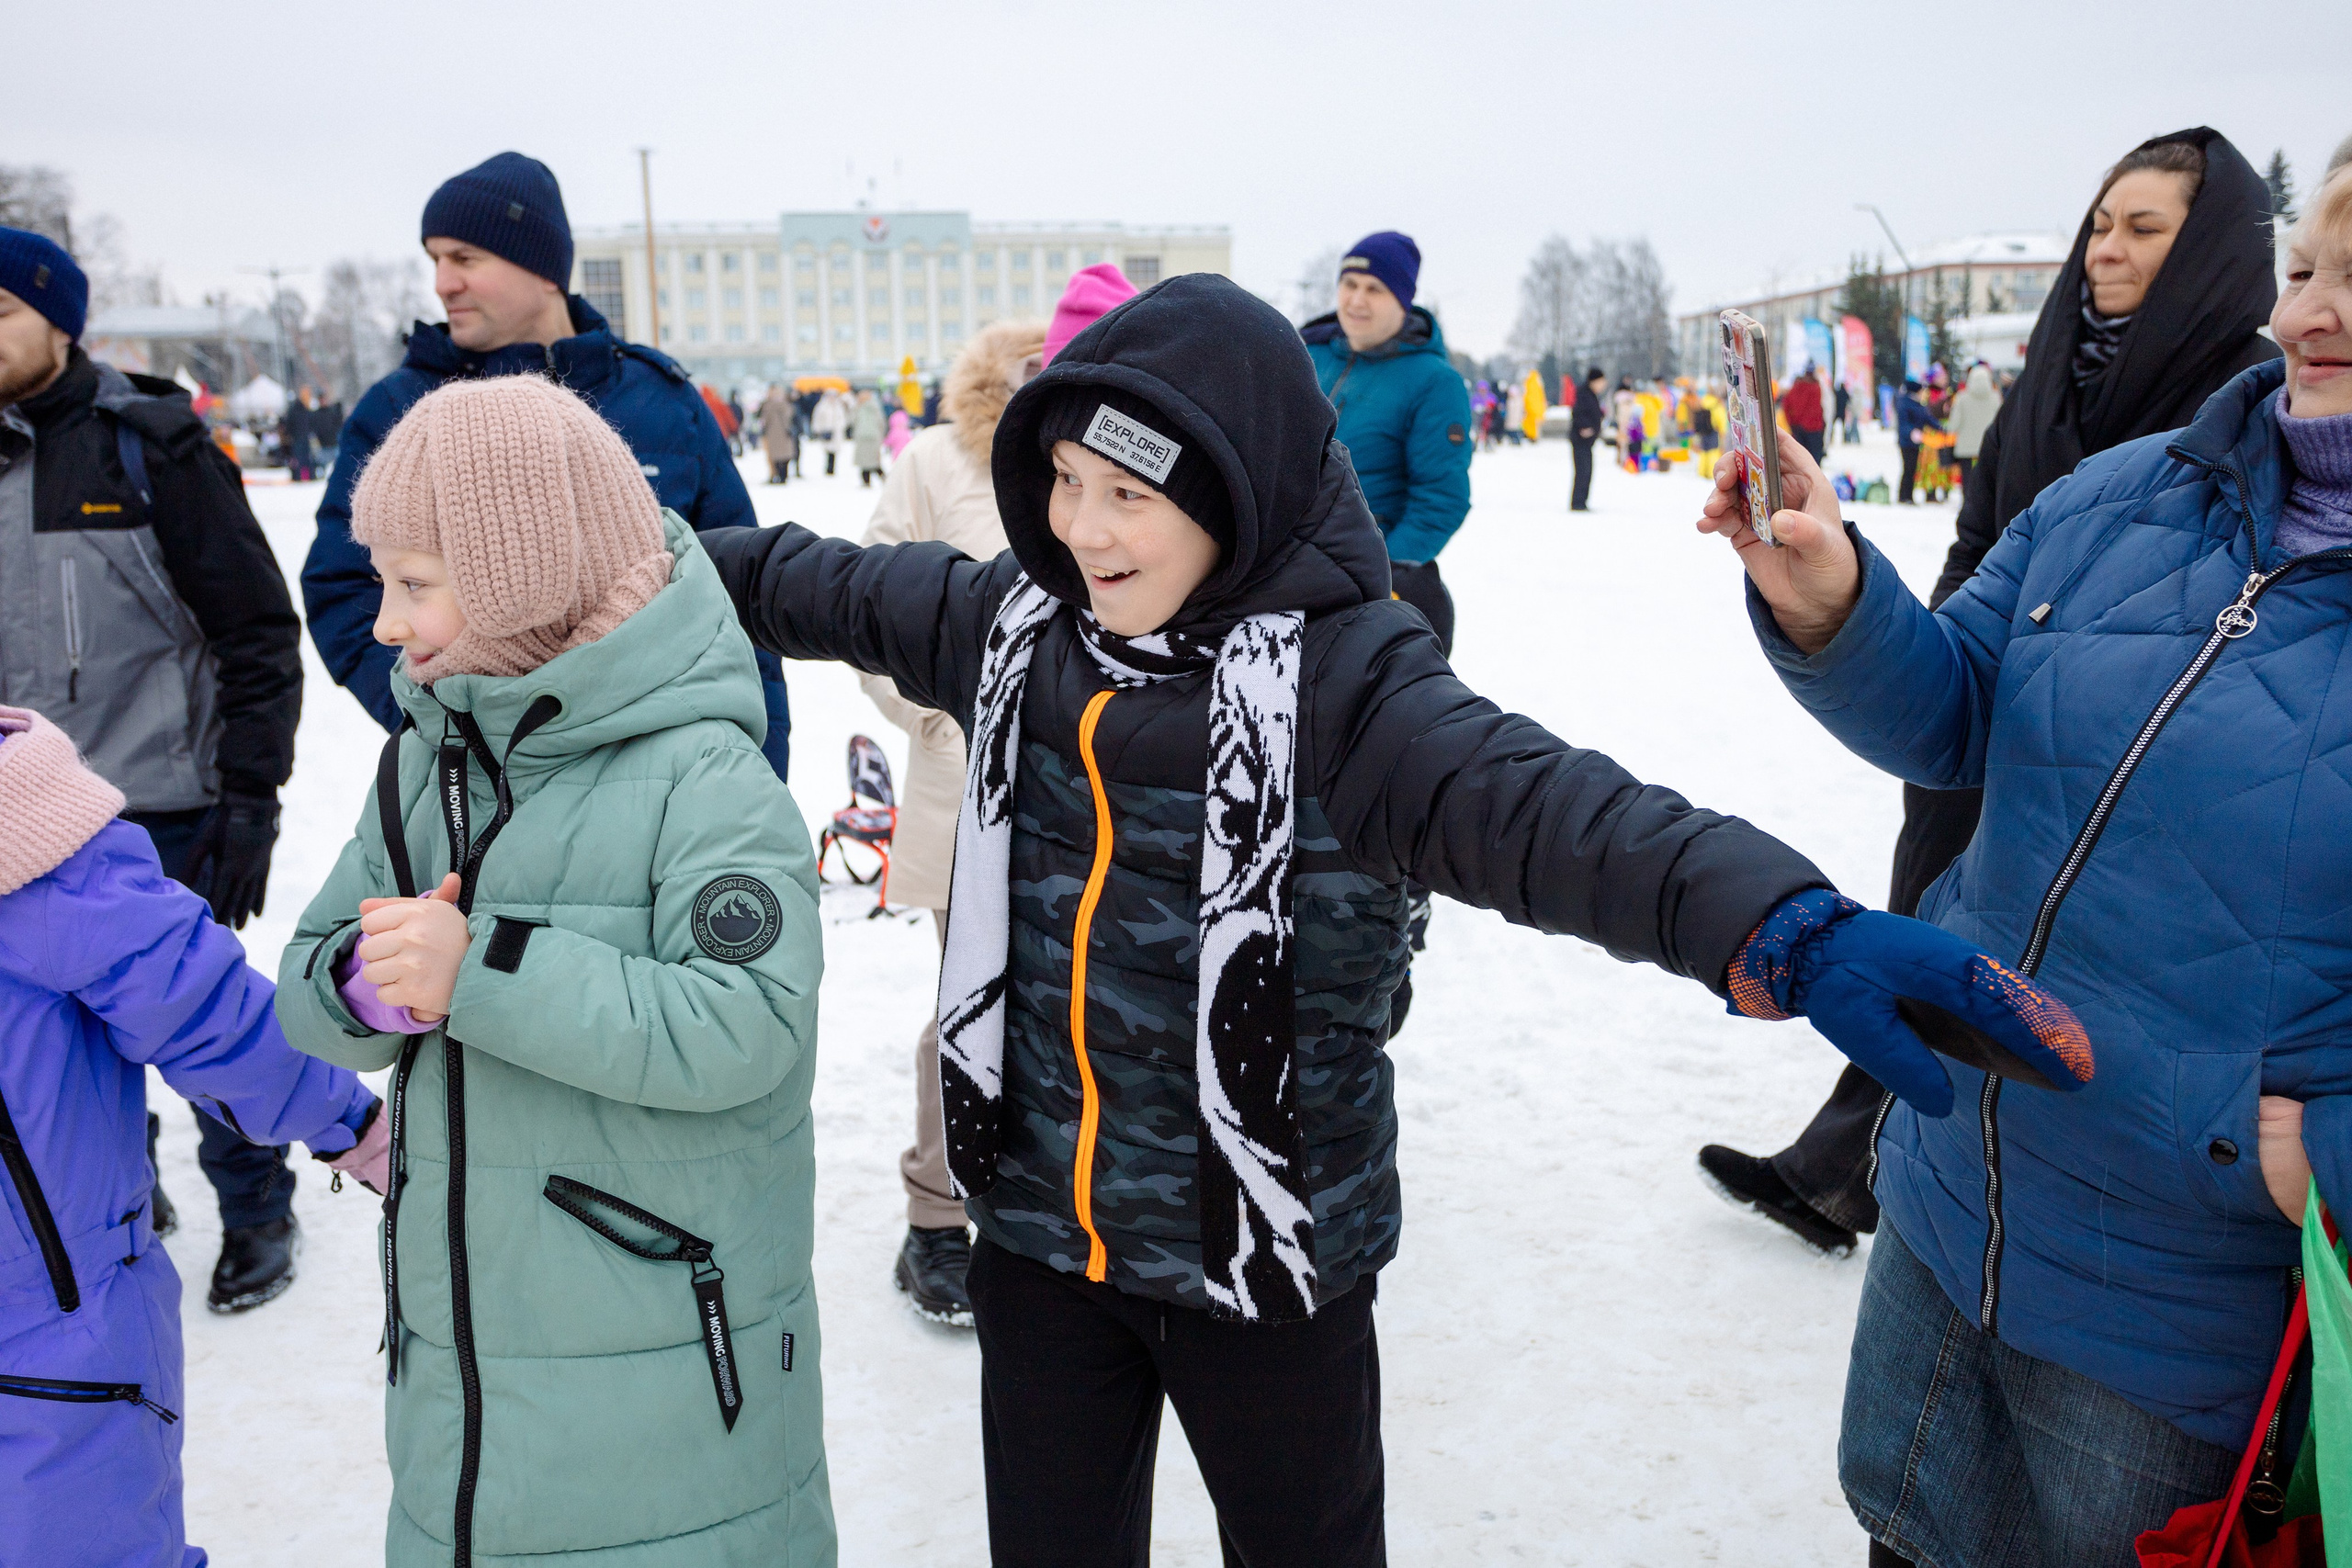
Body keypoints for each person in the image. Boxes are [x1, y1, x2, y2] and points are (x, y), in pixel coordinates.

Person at [700, 273, 2091, 1565]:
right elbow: (790, 578)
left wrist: (1787, 922)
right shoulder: (1009, 625)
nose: (1081, 527)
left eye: (1128, 492)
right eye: (1063, 480)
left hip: (1268, 1251)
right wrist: (612, 557)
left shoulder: (1347, 691)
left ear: (1233, 498)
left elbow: (1566, 815)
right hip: (1039, 1238)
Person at [1696, 154, 2352, 1568]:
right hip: (1950, 1192)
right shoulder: (2132, 493)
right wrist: (1836, 600)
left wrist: (2324, 1150)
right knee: (1904, 1534)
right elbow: (1957, 708)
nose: (2317, 312)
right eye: (2307, 271)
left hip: (2170, 1311)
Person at [276, 376, 832, 1566]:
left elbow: (748, 1024)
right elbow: (310, 986)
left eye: (414, 584)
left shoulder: (705, 776)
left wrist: (483, 970)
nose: (381, 622)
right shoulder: (424, 765)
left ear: (519, 576)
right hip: (461, 1416)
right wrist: (373, 985)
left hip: (672, 1406)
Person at [1700, 129, 2286, 1258]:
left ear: (2210, 250)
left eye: (2145, 229)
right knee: (1931, 928)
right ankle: (1862, 1166)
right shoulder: (2052, 371)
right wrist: (1929, 647)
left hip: (2122, 756)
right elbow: (1979, 543)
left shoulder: (2244, 394)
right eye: (2101, 225)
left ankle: (1864, 1173)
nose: (2108, 250)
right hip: (1984, 715)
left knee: (2031, 974)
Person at [0, 226, 316, 1314]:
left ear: (59, 317)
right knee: (49, 1059)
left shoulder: (153, 448)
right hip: (8, 831)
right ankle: (116, 1200)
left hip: (156, 809)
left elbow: (257, 635)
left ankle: (258, 1208)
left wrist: (249, 801)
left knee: (197, 1023)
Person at [0, 704, 384, 1568]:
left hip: (44, 1347)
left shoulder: (24, 836)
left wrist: (346, 1120)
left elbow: (201, 1008)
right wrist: (357, 1127)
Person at [299, 152, 793, 782]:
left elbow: (736, 606)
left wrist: (755, 772)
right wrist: (444, 728)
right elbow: (342, 590)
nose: (443, 283)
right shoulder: (400, 412)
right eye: (436, 261)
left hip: (663, 786)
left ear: (543, 269)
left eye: (465, 258)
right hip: (481, 791)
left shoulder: (664, 402)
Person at [856, 316, 1048, 1325]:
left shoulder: (1107, 461)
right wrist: (932, 713)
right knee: (970, 1002)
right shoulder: (936, 461)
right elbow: (875, 608)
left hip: (1097, 792)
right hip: (970, 786)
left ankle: (1044, 1214)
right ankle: (935, 1216)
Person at [1298, 231, 1474, 656]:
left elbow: (1440, 498)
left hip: (1362, 579)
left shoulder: (1434, 382)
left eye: (1374, 289)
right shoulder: (1306, 354)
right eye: (1350, 284)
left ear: (1402, 300)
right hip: (1281, 568)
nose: (1357, 300)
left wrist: (1379, 574)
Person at [1944, 363, 2001, 491]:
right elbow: (2000, 422)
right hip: (1988, 447)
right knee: (1986, 481)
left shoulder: (1962, 397)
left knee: (1967, 481)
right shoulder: (1995, 397)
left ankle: (1967, 506)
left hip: (1966, 448)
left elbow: (1954, 425)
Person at [1893, 379, 1941, 502]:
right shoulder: (1904, 403)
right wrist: (1912, 432)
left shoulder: (1918, 404)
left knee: (1913, 469)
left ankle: (1908, 495)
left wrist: (1940, 427)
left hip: (1916, 442)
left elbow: (1927, 419)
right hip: (1906, 442)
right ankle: (1904, 496)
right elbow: (1903, 424)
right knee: (1908, 468)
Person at [1569, 365, 1606, 511]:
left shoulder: (1590, 394)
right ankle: (1578, 502)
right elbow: (1578, 414)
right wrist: (1584, 428)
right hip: (1581, 440)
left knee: (1587, 471)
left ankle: (1582, 501)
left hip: (1587, 441)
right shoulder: (1584, 394)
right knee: (1583, 471)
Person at [1781, 362, 1827, 461]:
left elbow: (1786, 405)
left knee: (1800, 461)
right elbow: (1819, 409)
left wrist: (1792, 423)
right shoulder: (1816, 387)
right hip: (1814, 429)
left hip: (1799, 429)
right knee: (1814, 462)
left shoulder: (1796, 387)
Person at [758, 380, 798, 484]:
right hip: (784, 432)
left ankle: (776, 475)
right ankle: (783, 475)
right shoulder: (786, 405)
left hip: (773, 433)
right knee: (784, 455)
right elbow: (792, 416)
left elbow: (764, 419)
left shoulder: (768, 405)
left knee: (774, 455)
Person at [851, 387, 886, 485]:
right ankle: (881, 477)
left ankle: (867, 480)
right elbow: (881, 422)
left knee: (865, 461)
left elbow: (853, 421)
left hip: (863, 436)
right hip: (873, 436)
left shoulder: (859, 408)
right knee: (872, 460)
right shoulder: (875, 407)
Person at [812, 386, 848, 474]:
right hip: (826, 430)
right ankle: (828, 467)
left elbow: (843, 419)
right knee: (827, 450)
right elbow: (817, 418)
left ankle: (832, 468)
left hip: (836, 432)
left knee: (834, 451)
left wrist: (840, 427)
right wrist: (818, 429)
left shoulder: (839, 406)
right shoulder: (821, 406)